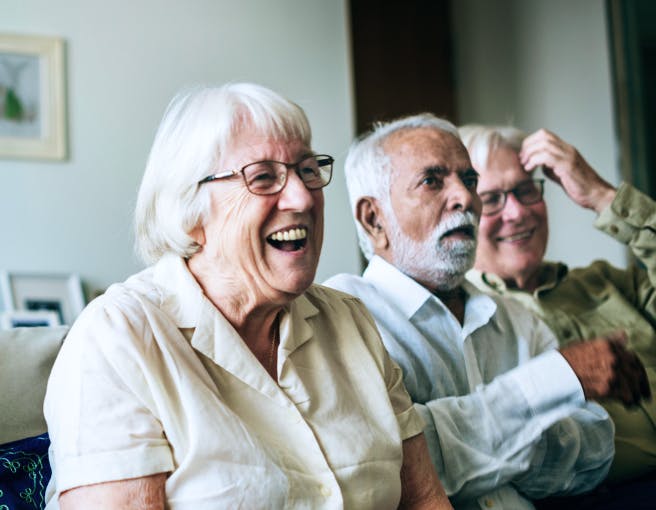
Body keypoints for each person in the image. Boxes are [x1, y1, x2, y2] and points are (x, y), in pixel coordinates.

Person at [43, 84, 452, 509]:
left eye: (308, 171)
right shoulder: (118, 338)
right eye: (263, 177)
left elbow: (426, 500)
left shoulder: (351, 322)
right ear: (189, 211)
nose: (302, 197)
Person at [324, 113, 650, 510]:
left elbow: (593, 453)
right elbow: (391, 467)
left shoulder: (514, 318)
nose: (465, 198)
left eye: (469, 180)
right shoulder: (342, 315)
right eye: (432, 181)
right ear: (374, 219)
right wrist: (552, 385)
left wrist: (464, 436)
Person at [461, 125, 656, 485]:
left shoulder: (606, 282)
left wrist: (601, 195)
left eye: (526, 189)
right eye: (491, 199)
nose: (517, 213)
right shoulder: (466, 320)